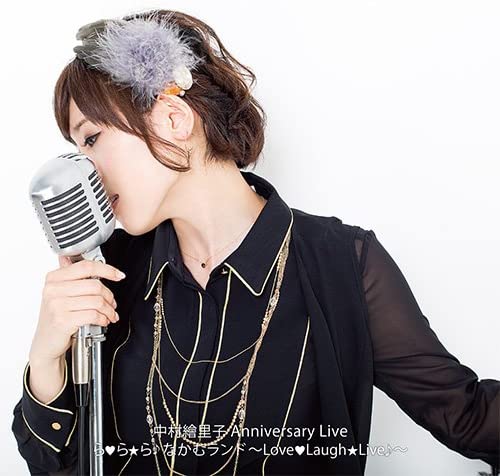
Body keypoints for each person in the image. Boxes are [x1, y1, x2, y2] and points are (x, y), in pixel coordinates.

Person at [11, 8, 499, 476]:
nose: (85, 168)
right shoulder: (107, 273)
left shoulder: (342, 264)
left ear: (173, 119)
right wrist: (46, 358)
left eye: (91, 139)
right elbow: (62, 466)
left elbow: (466, 416)